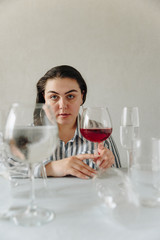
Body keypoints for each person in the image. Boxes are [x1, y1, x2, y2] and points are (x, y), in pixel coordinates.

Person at [36, 65, 121, 179]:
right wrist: (52, 168)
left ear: (82, 96)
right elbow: (7, 168)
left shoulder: (99, 132)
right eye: (54, 97)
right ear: (44, 98)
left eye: (70, 96)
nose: (63, 106)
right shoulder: (30, 135)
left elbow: (118, 178)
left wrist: (108, 165)